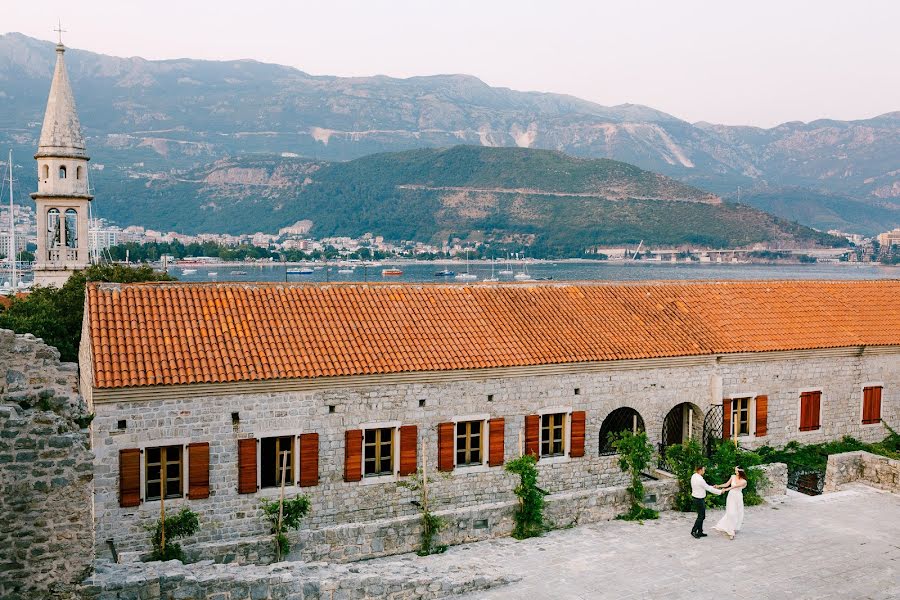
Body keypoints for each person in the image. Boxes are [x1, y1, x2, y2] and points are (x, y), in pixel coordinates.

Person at [713, 467, 747, 540]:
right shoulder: (733, 476)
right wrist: (718, 486)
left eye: (736, 471)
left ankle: (733, 528)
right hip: (731, 496)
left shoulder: (744, 481)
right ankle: (731, 531)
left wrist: (725, 490)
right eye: (735, 470)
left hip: (738, 497)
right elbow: (726, 484)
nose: (735, 472)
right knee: (731, 513)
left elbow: (734, 487)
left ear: (740, 472)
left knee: (737, 513)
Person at [690, 465, 722, 538]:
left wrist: (711, 487)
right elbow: (707, 488)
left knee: (701, 516)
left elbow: (705, 486)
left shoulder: (694, 476)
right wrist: (720, 492)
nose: (704, 471)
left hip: (696, 497)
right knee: (701, 516)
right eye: (703, 470)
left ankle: (700, 531)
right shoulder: (700, 479)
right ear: (700, 470)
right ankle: (694, 531)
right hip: (699, 499)